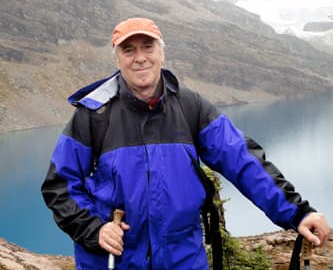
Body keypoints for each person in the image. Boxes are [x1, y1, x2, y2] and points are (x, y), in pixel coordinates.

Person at [41, 17, 330, 270]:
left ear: (162, 53)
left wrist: (298, 212)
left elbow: (243, 161)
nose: (139, 57)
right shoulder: (94, 115)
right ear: (117, 59)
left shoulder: (191, 107)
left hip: (181, 259)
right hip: (113, 260)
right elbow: (59, 187)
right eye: (128, 50)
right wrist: (95, 229)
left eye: (148, 47)